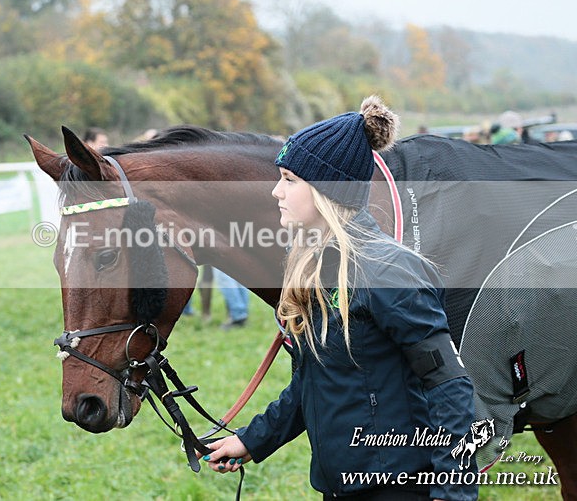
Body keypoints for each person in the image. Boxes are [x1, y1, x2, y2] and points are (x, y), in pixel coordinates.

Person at [200, 96, 477, 500]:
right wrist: (251, 440)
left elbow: (450, 386)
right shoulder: (317, 267)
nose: (276, 191)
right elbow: (315, 381)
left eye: (290, 180)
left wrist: (453, 493)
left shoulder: (389, 272)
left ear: (328, 190)